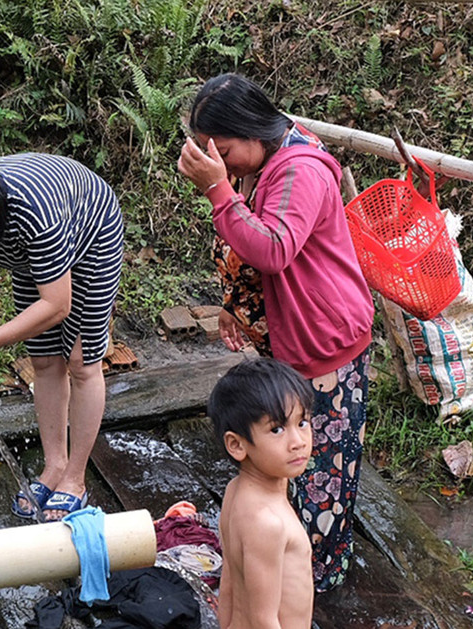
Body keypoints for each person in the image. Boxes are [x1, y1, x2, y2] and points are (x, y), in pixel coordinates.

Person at [178, 73, 374, 592]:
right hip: (295, 328)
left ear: (252, 132)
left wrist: (216, 189)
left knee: (321, 472)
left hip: (324, 337)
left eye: (222, 149)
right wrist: (233, 305)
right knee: (285, 460)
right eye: (206, 150)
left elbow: (271, 249)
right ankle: (278, 565)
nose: (218, 160)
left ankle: (315, 581)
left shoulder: (300, 170)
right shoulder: (264, 158)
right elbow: (247, 245)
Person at [0, 147, 124, 522]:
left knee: (80, 360)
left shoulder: (33, 210)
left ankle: (75, 478)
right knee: (45, 360)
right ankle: (54, 464)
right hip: (34, 257)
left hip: (91, 233)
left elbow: (57, 305)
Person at [209, 358, 315, 629]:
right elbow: (263, 620)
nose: (298, 442)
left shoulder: (236, 492)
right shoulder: (267, 523)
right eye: (277, 429)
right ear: (236, 444)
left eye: (302, 422)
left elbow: (229, 581)